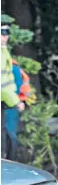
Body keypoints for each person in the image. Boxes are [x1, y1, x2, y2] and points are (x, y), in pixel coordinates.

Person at [1, 21, 24, 161]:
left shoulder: (4, 51)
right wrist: (16, 101)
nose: (5, 37)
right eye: (2, 33)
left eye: (7, 33)